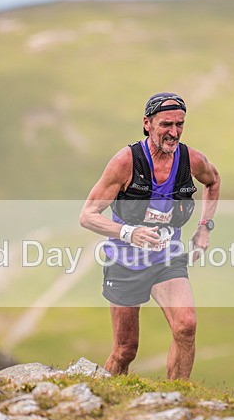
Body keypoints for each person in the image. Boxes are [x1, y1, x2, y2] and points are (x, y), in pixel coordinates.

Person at [79, 92, 220, 380]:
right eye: (166, 124)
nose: (174, 132)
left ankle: (178, 401)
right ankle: (104, 398)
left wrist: (204, 227)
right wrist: (129, 232)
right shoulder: (125, 162)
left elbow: (214, 180)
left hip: (167, 258)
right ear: (147, 123)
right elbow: (87, 215)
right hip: (125, 263)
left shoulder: (190, 160)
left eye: (180, 124)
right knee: (125, 350)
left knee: (186, 326)